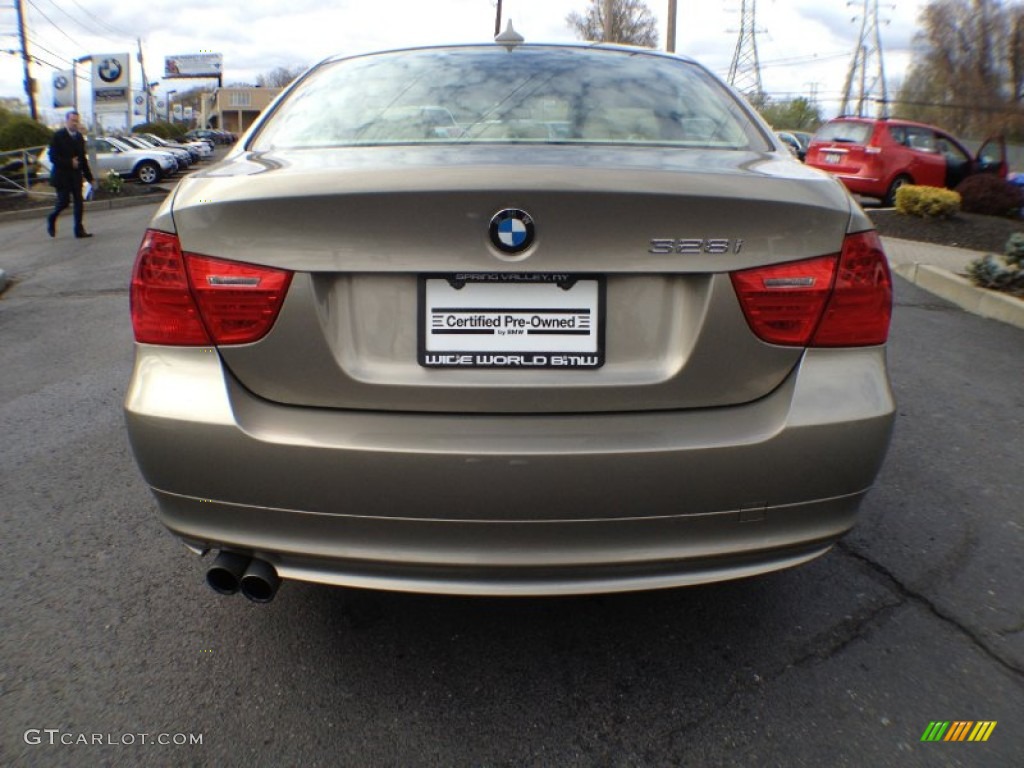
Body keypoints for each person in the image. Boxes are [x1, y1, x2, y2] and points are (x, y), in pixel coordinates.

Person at [46, 110, 94, 239]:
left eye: (77, 121)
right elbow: (52, 157)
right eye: (72, 120)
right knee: (64, 202)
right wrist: (69, 162)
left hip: (75, 177)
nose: (75, 123)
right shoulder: (58, 136)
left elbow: (82, 159)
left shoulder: (79, 137)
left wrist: (90, 178)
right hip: (62, 177)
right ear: (67, 121)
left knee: (79, 202)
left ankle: (79, 230)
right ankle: (52, 218)